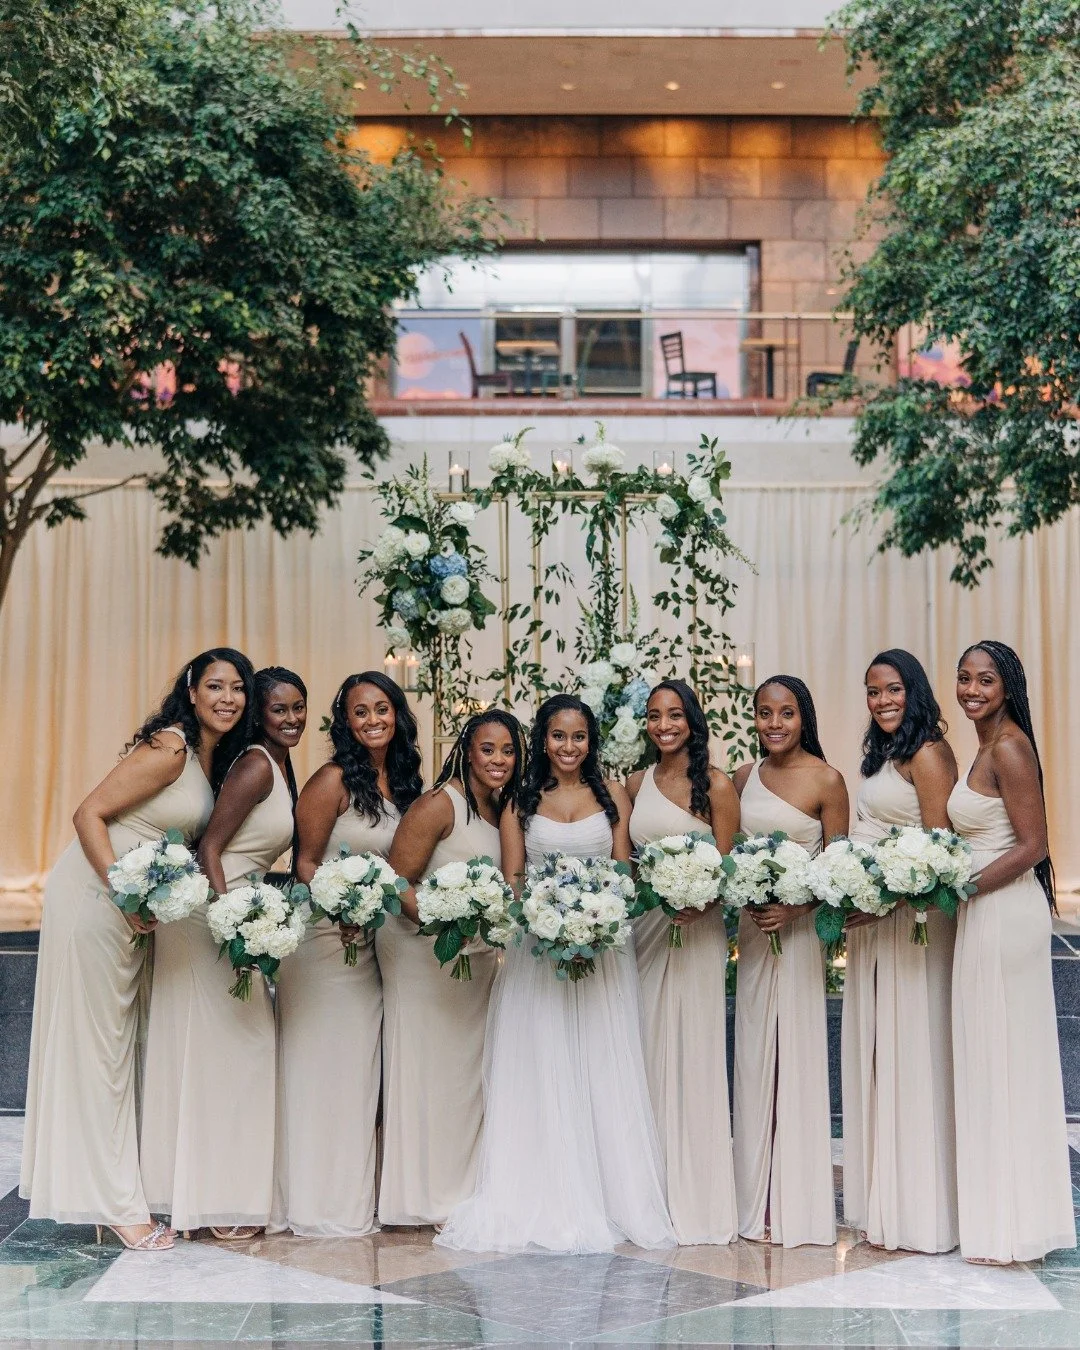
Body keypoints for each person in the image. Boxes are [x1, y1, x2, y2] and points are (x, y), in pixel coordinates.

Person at [20, 649, 253, 1251]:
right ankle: (115, 1205)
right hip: (97, 899)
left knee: (121, 1048)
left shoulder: (207, 758)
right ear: (192, 692)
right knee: (100, 1050)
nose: (227, 698)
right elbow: (88, 813)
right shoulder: (171, 746)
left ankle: (119, 1189)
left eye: (238, 689)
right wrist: (123, 892)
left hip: (136, 907)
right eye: (216, 686)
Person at [437, 694, 675, 1254]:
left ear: (591, 743)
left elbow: (623, 874)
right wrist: (549, 924)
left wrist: (594, 923)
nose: (569, 747)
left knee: (599, 1062)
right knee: (542, 1062)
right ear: (542, 740)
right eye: (559, 736)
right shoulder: (520, 800)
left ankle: (612, 1196)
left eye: (580, 737)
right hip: (536, 950)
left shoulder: (611, 794)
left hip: (604, 952)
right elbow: (514, 877)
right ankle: (543, 1193)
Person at [140, 666, 306, 1240]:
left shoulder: (280, 763)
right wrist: (230, 922)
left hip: (238, 908)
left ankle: (206, 1195)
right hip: (214, 912)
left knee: (229, 1054)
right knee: (231, 1050)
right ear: (260, 715)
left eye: (298, 708)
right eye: (278, 709)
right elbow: (209, 846)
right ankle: (204, 1201)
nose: (290, 719)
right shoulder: (258, 763)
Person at [270, 672, 422, 1237]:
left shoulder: (407, 783)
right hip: (324, 942)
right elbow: (305, 862)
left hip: (375, 944)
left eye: (381, 708)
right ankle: (314, 1205)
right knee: (320, 1071)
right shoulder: (332, 779)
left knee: (357, 1075)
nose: (372, 720)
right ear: (346, 722)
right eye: (360, 712)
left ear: (397, 713)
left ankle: (350, 1200)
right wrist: (343, 909)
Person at [949, 640, 1075, 1264]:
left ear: (1008, 686)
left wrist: (959, 888)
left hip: (1002, 911)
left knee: (1005, 1055)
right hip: (983, 911)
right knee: (989, 1054)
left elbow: (1033, 845)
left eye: (986, 680)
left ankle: (1015, 1224)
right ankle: (999, 1215)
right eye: (964, 679)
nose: (972, 689)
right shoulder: (984, 745)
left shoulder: (1009, 747)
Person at [380, 710, 524, 1228]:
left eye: (507, 750)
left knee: (466, 1081)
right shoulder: (440, 804)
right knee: (428, 1073)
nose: (498, 760)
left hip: (478, 962)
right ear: (467, 750)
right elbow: (395, 882)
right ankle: (420, 1199)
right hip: (424, 957)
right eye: (488, 749)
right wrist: (448, 923)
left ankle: (461, 1193)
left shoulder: (503, 810)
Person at [842, 650, 959, 1253]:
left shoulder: (930, 754)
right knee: (881, 1051)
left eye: (892, 690)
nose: (882, 701)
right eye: (872, 692)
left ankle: (921, 1209)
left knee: (912, 1049)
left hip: (913, 923)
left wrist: (889, 898)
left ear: (914, 691)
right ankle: (885, 1197)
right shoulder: (884, 755)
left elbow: (940, 853)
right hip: (875, 920)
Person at [731, 675, 847, 1248]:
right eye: (764, 713)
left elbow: (838, 871)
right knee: (753, 1056)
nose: (774, 724)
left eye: (786, 713)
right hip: (755, 936)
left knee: (796, 1053)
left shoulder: (828, 780)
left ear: (805, 718)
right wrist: (750, 896)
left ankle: (798, 1204)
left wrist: (796, 912)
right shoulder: (742, 778)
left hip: (798, 939)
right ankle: (752, 1198)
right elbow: (726, 857)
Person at [627, 679, 740, 1245]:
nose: (664, 725)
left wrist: (701, 901)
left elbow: (730, 870)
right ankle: (645, 1193)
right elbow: (625, 866)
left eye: (674, 715)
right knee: (644, 1050)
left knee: (694, 1052)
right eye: (654, 716)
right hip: (645, 931)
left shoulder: (716, 786)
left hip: (698, 935)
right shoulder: (633, 783)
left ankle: (699, 1200)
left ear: (692, 722)